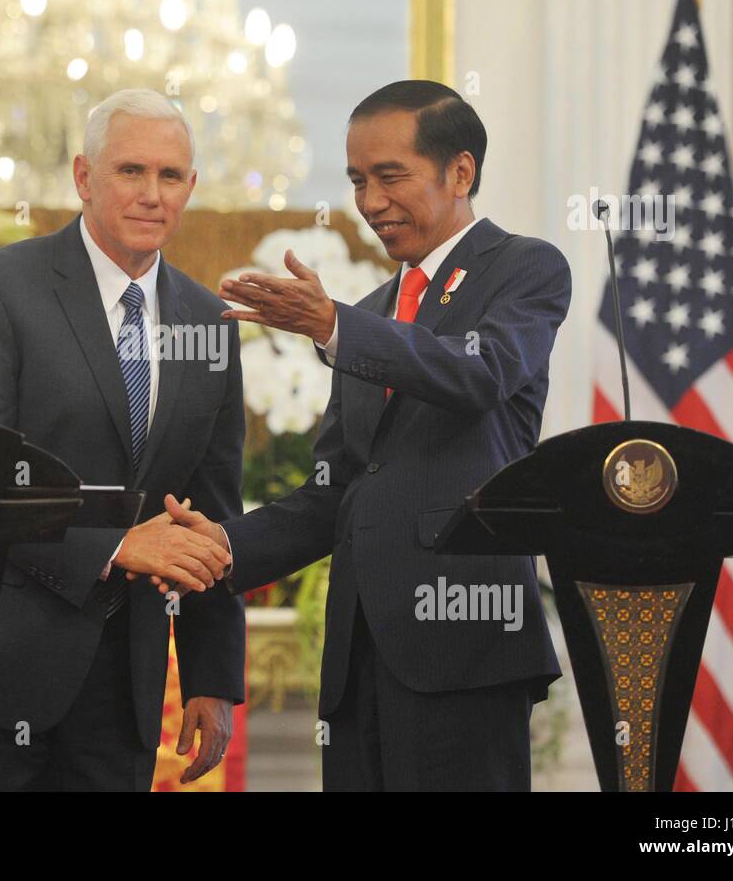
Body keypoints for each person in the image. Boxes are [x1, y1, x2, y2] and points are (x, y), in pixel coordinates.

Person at [163, 79, 570, 790]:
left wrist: (334, 327)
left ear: (461, 171)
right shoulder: (370, 313)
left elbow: (478, 373)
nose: (370, 201)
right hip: (357, 662)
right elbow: (336, 492)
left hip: (463, 652)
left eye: (390, 176)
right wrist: (223, 545)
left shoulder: (524, 269)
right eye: (356, 180)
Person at [0, 88, 245, 790]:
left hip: (126, 696)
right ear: (83, 177)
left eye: (170, 176)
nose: (152, 194)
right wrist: (116, 545)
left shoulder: (210, 322)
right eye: (131, 171)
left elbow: (212, 513)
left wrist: (212, 676)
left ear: (190, 187)